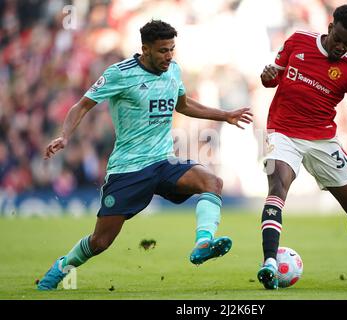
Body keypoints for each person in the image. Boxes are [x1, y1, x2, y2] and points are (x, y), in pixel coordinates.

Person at [37, 20, 253, 290]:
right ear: (145, 49)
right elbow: (81, 106)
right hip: (129, 170)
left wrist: (225, 115)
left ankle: (203, 243)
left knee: (213, 182)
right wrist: (65, 136)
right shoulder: (120, 74)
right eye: (163, 50)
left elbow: (183, 105)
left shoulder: (174, 70)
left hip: (163, 161)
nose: (169, 56)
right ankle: (61, 267)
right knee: (100, 242)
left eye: (172, 49)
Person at [257, 4, 347, 289]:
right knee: (277, 187)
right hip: (283, 133)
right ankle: (270, 264)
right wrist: (267, 78)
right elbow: (273, 77)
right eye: (337, 39)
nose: (340, 46)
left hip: (323, 141)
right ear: (329, 27)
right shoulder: (297, 41)